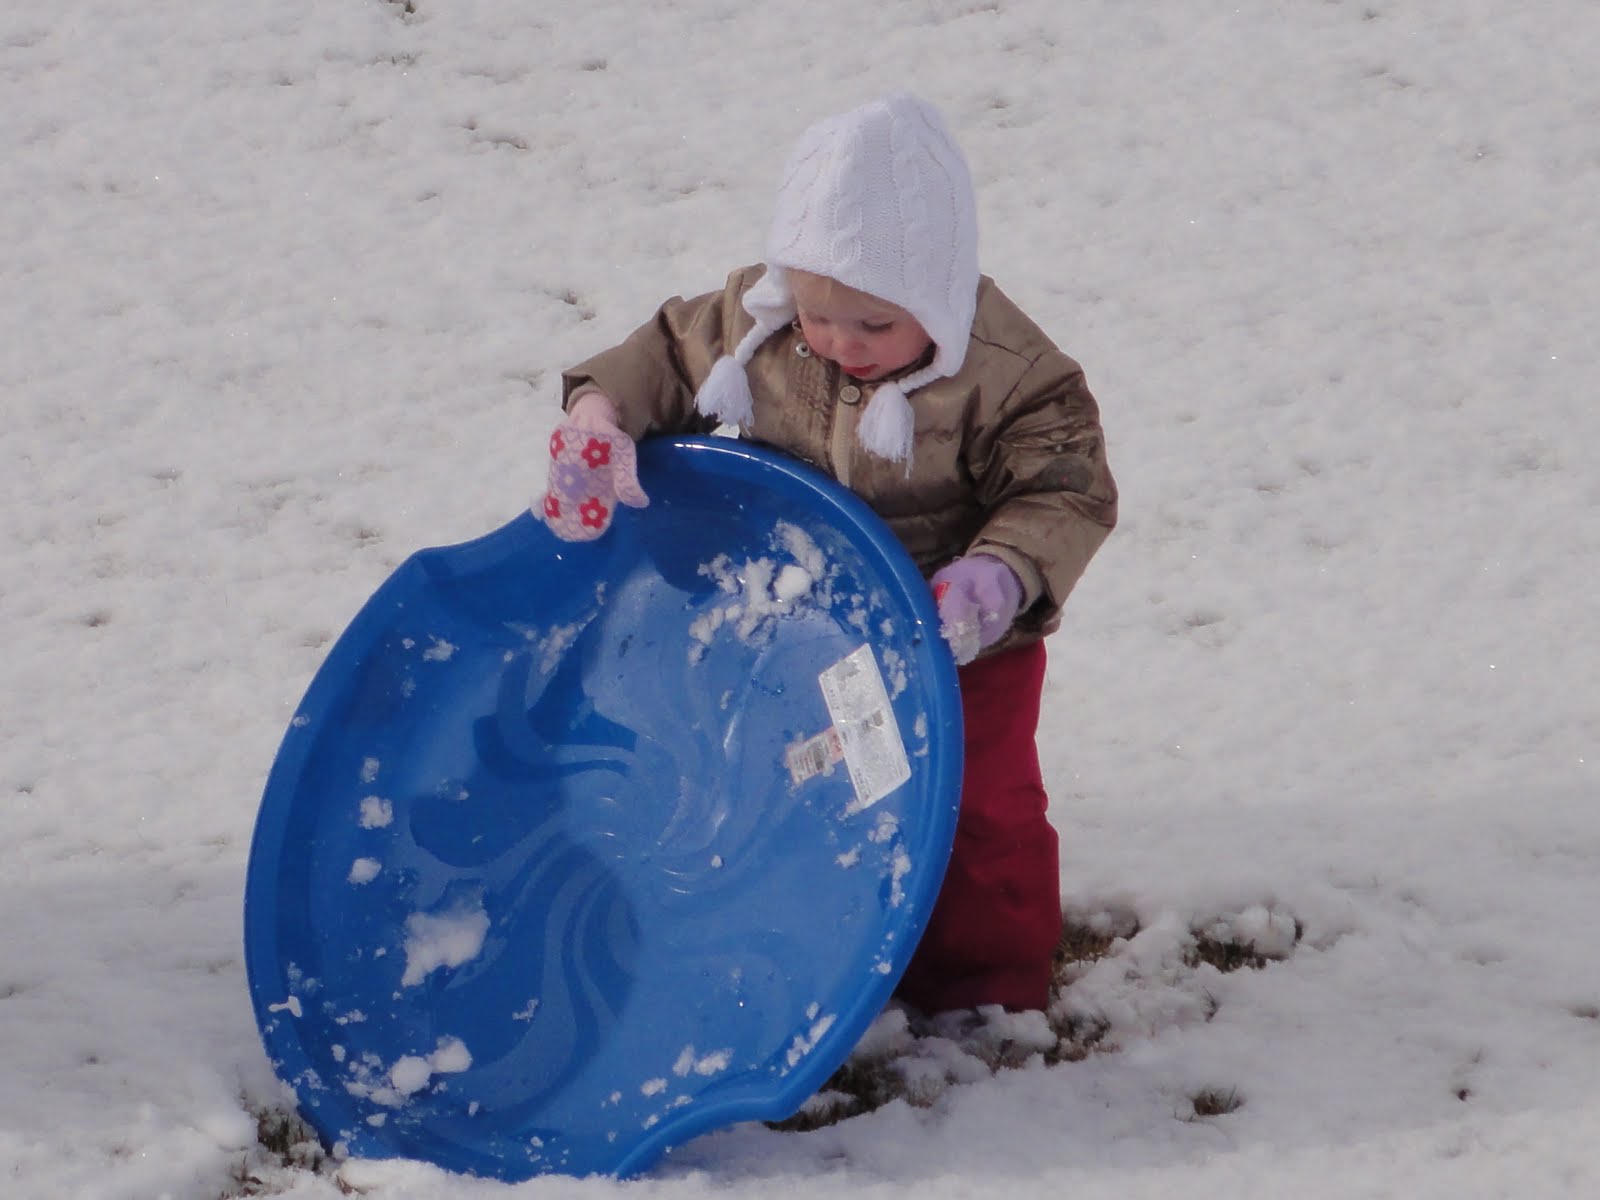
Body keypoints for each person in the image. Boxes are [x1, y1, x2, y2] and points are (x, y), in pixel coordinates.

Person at [539, 93, 1117, 1017]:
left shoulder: (1009, 375)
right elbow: (660, 357)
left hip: (959, 638)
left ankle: (984, 989)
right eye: (818, 315)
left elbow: (1067, 487)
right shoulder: (762, 320)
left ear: (936, 291)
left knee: (977, 812)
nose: (840, 342)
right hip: (802, 632)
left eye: (875, 326)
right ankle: (830, 953)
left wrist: (1002, 570)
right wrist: (596, 416)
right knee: (818, 789)